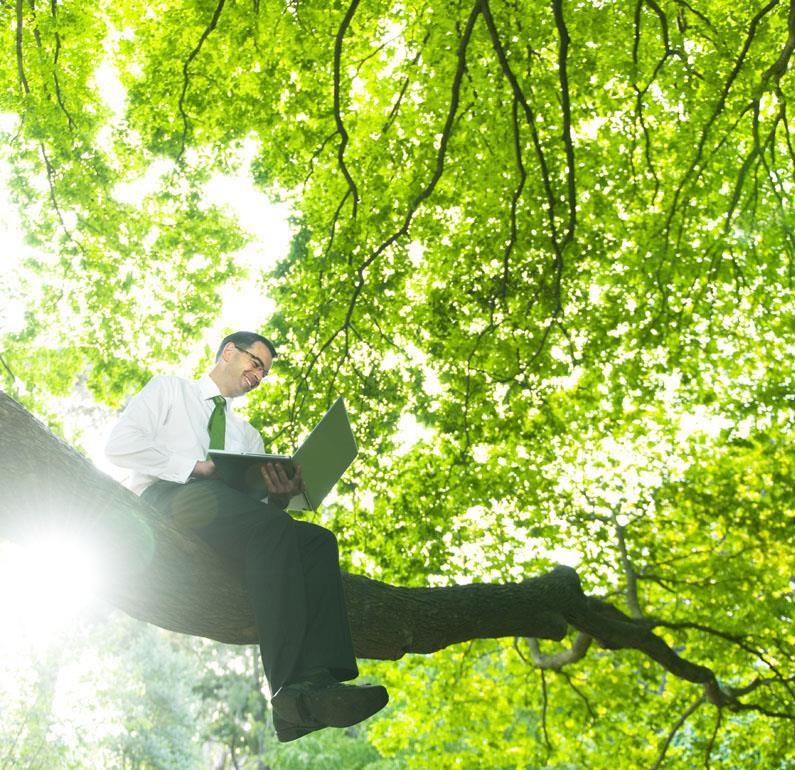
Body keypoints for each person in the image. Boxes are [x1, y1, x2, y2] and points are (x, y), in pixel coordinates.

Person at [105, 330, 388, 742]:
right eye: (256, 363)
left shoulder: (248, 436)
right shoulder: (171, 390)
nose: (259, 375)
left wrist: (277, 499)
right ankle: (290, 691)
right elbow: (120, 446)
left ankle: (318, 685)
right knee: (268, 526)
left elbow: (259, 523)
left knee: (317, 542)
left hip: (226, 521)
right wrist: (194, 466)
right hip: (167, 500)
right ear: (228, 353)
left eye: (265, 373)